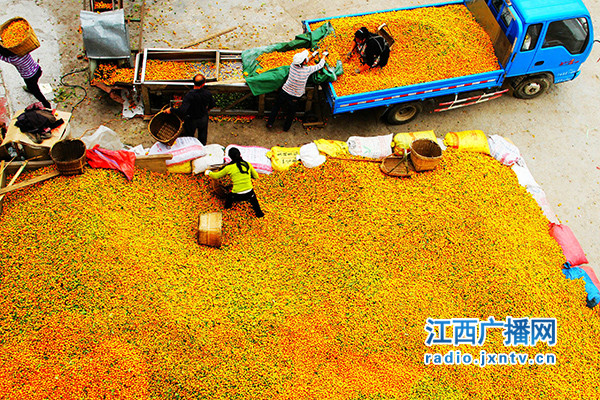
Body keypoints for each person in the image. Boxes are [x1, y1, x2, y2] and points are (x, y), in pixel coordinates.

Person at [266, 48, 328, 132]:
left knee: (276, 107)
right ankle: (286, 128)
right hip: (295, 96)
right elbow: (320, 65)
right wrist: (324, 55)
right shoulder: (307, 70)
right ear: (303, 63)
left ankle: (270, 123)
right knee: (291, 113)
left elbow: (306, 60)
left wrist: (314, 54)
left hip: (284, 92)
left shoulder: (292, 66)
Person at [205, 147, 264, 218]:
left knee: (229, 197)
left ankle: (227, 207)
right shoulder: (247, 164)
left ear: (230, 157)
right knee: (254, 200)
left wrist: (209, 173)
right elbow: (256, 176)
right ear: (240, 154)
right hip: (249, 193)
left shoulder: (229, 167)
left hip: (237, 195)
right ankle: (259, 214)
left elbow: (216, 176)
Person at [166, 73, 215, 145]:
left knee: (189, 136)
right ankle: (202, 147)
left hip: (191, 120)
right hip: (203, 118)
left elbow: (182, 111)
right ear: (203, 84)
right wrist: (207, 110)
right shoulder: (207, 93)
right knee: (203, 135)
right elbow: (212, 104)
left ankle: (190, 147)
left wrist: (171, 110)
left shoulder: (189, 95)